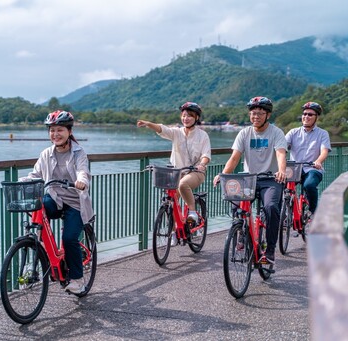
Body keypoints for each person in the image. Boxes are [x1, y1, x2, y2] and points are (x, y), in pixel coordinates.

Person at [23, 110, 94, 294]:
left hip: (75, 201)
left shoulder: (79, 153)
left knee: (70, 238)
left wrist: (82, 181)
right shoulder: (46, 153)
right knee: (37, 211)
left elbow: (82, 171)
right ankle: (45, 252)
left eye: (60, 130)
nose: (55, 134)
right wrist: (23, 182)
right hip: (55, 198)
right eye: (52, 130)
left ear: (69, 132)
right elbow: (35, 175)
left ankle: (78, 280)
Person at [213, 96, 287, 264]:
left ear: (268, 115)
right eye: (253, 113)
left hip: (270, 179)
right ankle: (241, 232)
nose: (256, 117)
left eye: (260, 113)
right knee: (236, 203)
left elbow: (281, 153)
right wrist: (223, 174)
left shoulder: (276, 133)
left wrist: (282, 171)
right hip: (248, 179)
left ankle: (269, 251)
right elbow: (234, 158)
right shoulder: (244, 133)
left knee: (271, 207)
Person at [137, 102, 211, 245]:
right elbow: (162, 129)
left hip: (195, 172)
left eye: (190, 116)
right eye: (184, 116)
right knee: (171, 200)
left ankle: (193, 212)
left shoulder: (203, 135)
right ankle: (175, 232)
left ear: (196, 118)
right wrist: (148, 123)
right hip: (177, 171)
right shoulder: (177, 132)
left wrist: (202, 164)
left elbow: (206, 154)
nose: (186, 118)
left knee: (183, 185)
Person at [285, 101, 331, 216]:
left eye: (310, 114)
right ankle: (284, 215)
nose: (306, 116)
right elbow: (282, 147)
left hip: (313, 168)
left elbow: (324, 151)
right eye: (304, 114)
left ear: (316, 117)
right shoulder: (293, 132)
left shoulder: (323, 134)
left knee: (309, 185)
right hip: (294, 169)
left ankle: (313, 211)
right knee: (280, 186)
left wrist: (318, 161)